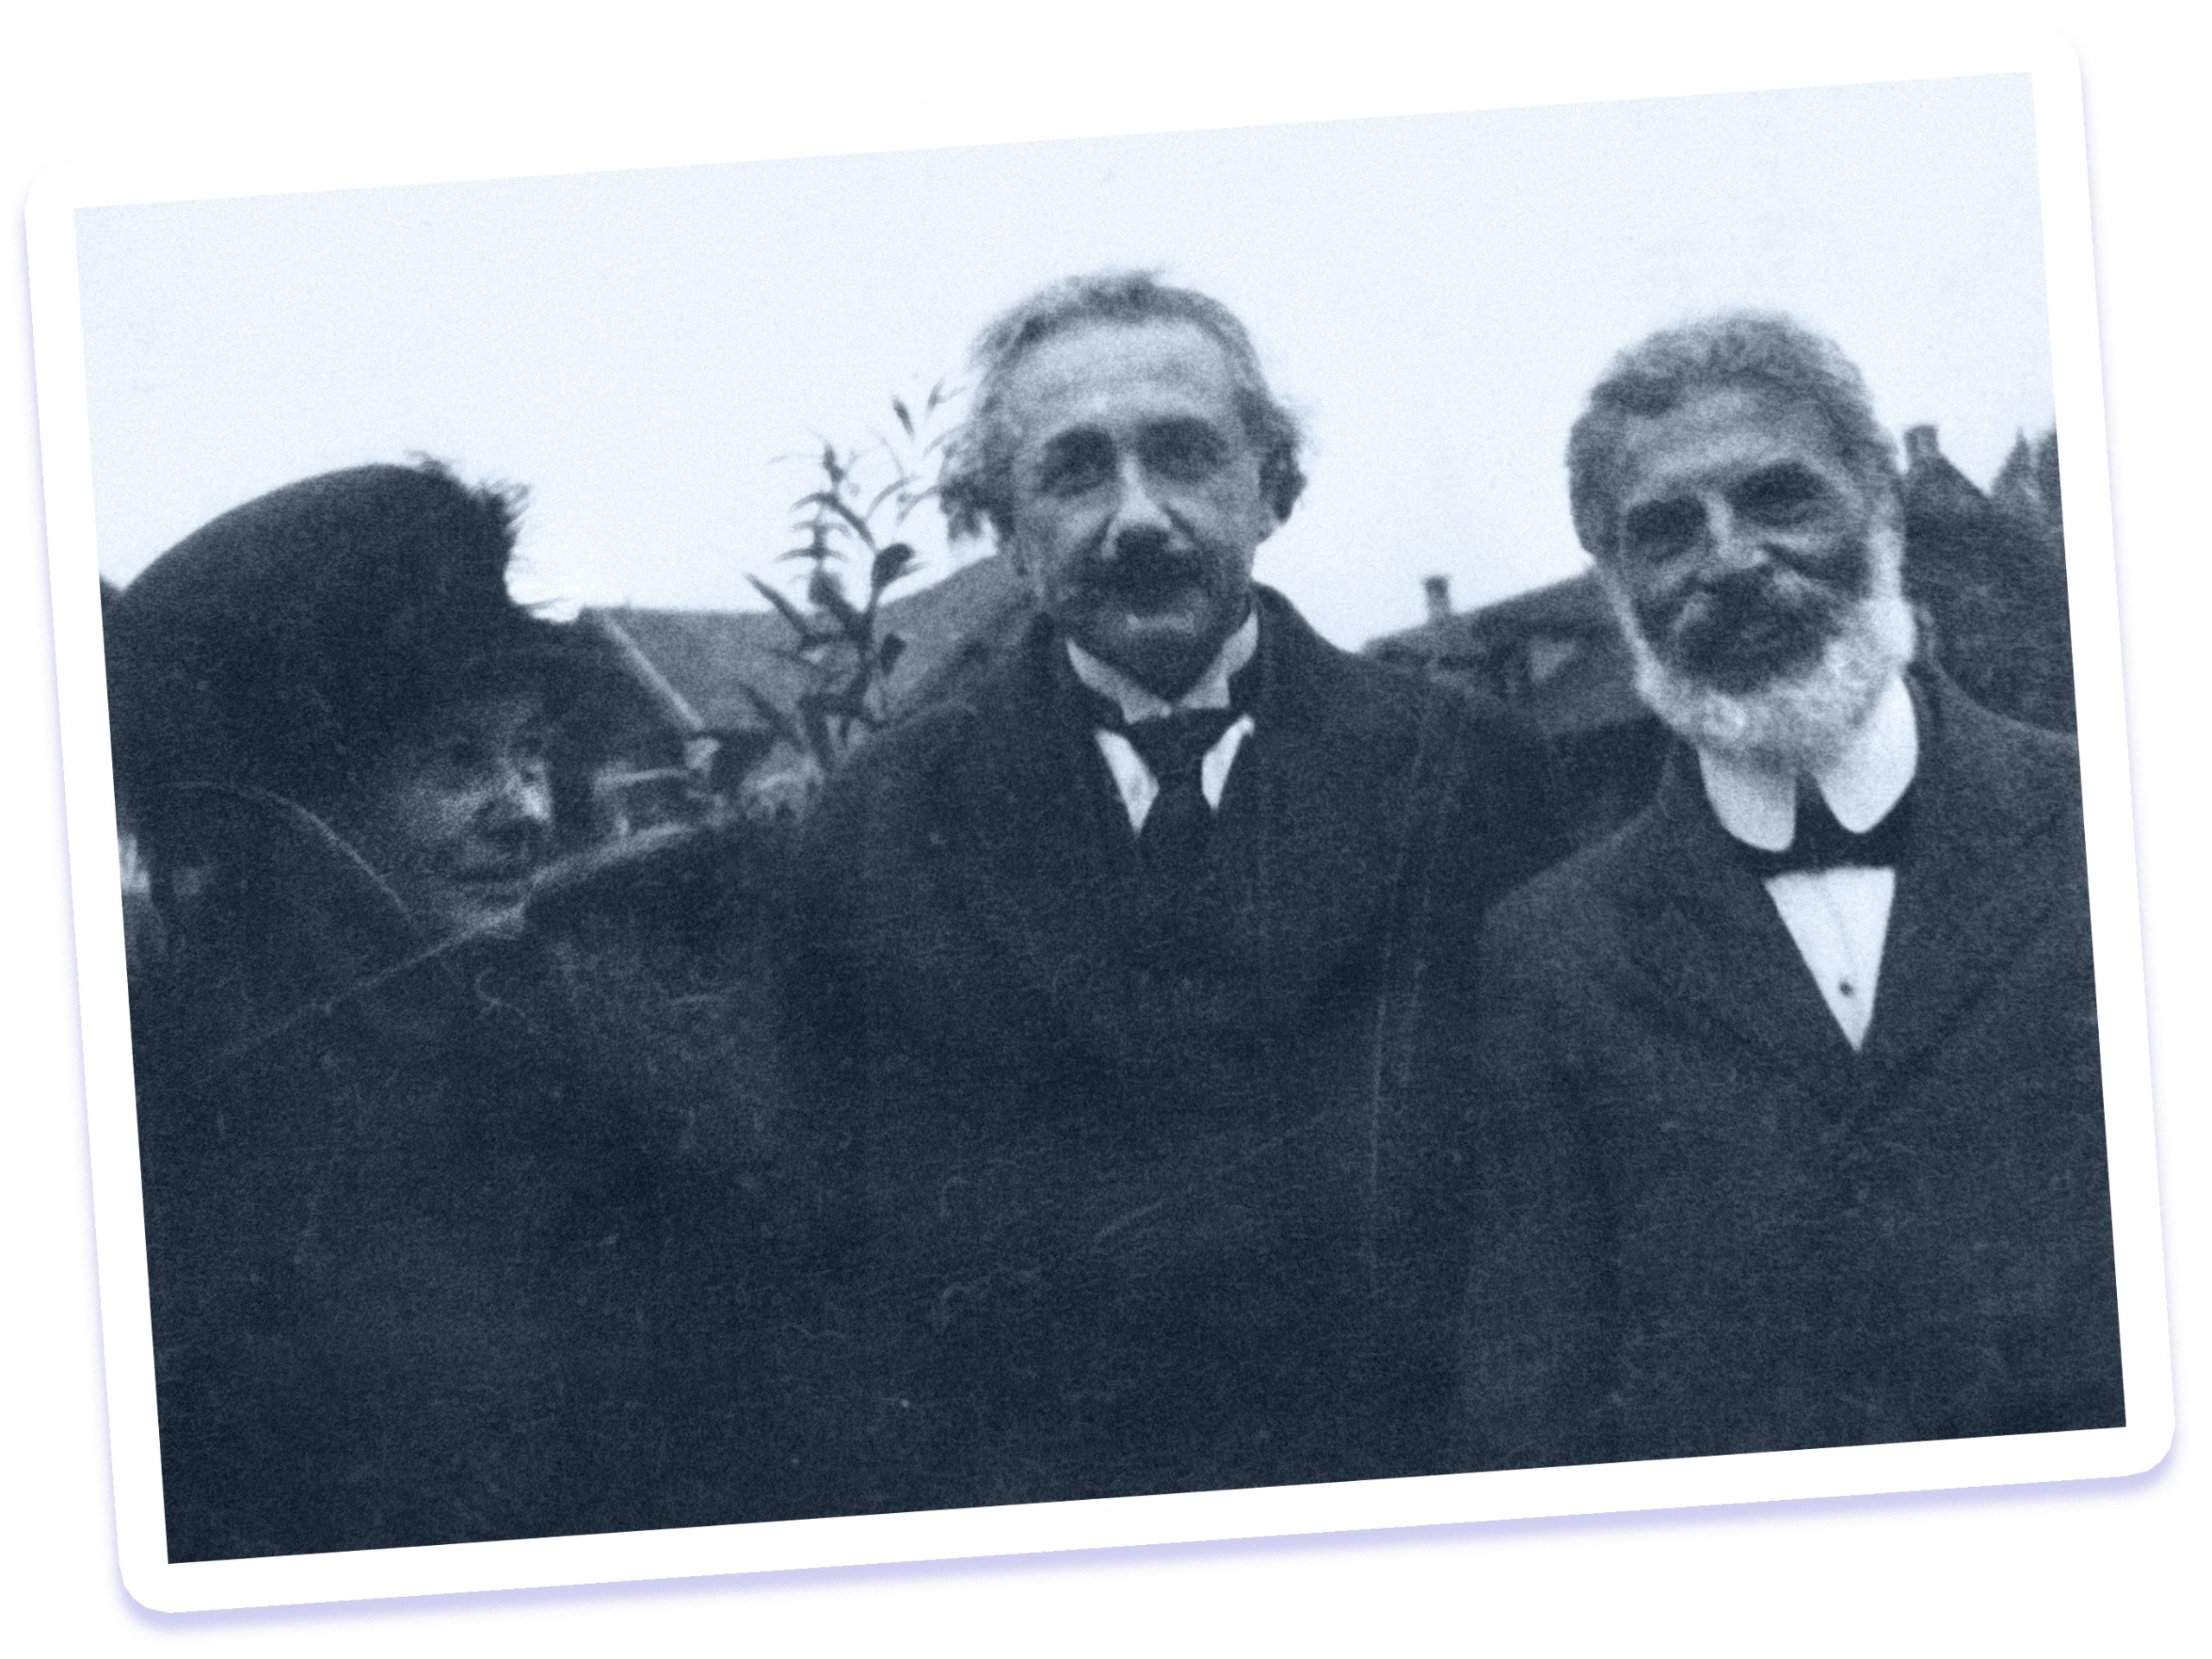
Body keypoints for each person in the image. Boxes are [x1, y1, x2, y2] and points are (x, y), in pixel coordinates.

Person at [780, 271, 1564, 1510]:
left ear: (1273, 487)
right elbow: (840, 1256)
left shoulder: (1470, 774)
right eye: (1076, 470)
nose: (1137, 518)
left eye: (1185, 456)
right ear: (1004, 521)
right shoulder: (883, 821)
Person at [1462, 312, 2125, 1472]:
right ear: (1611, 580)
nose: (1729, 559)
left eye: (1780, 499)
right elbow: (1537, 1392)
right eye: (1665, 531)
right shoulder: (1550, 953)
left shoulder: (2109, 828)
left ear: (1885, 505)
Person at [106, 461, 786, 1558]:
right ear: (292, 804)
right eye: (455, 758)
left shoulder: (566, 1078)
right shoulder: (173, 1111)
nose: (524, 809)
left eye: (528, 754)